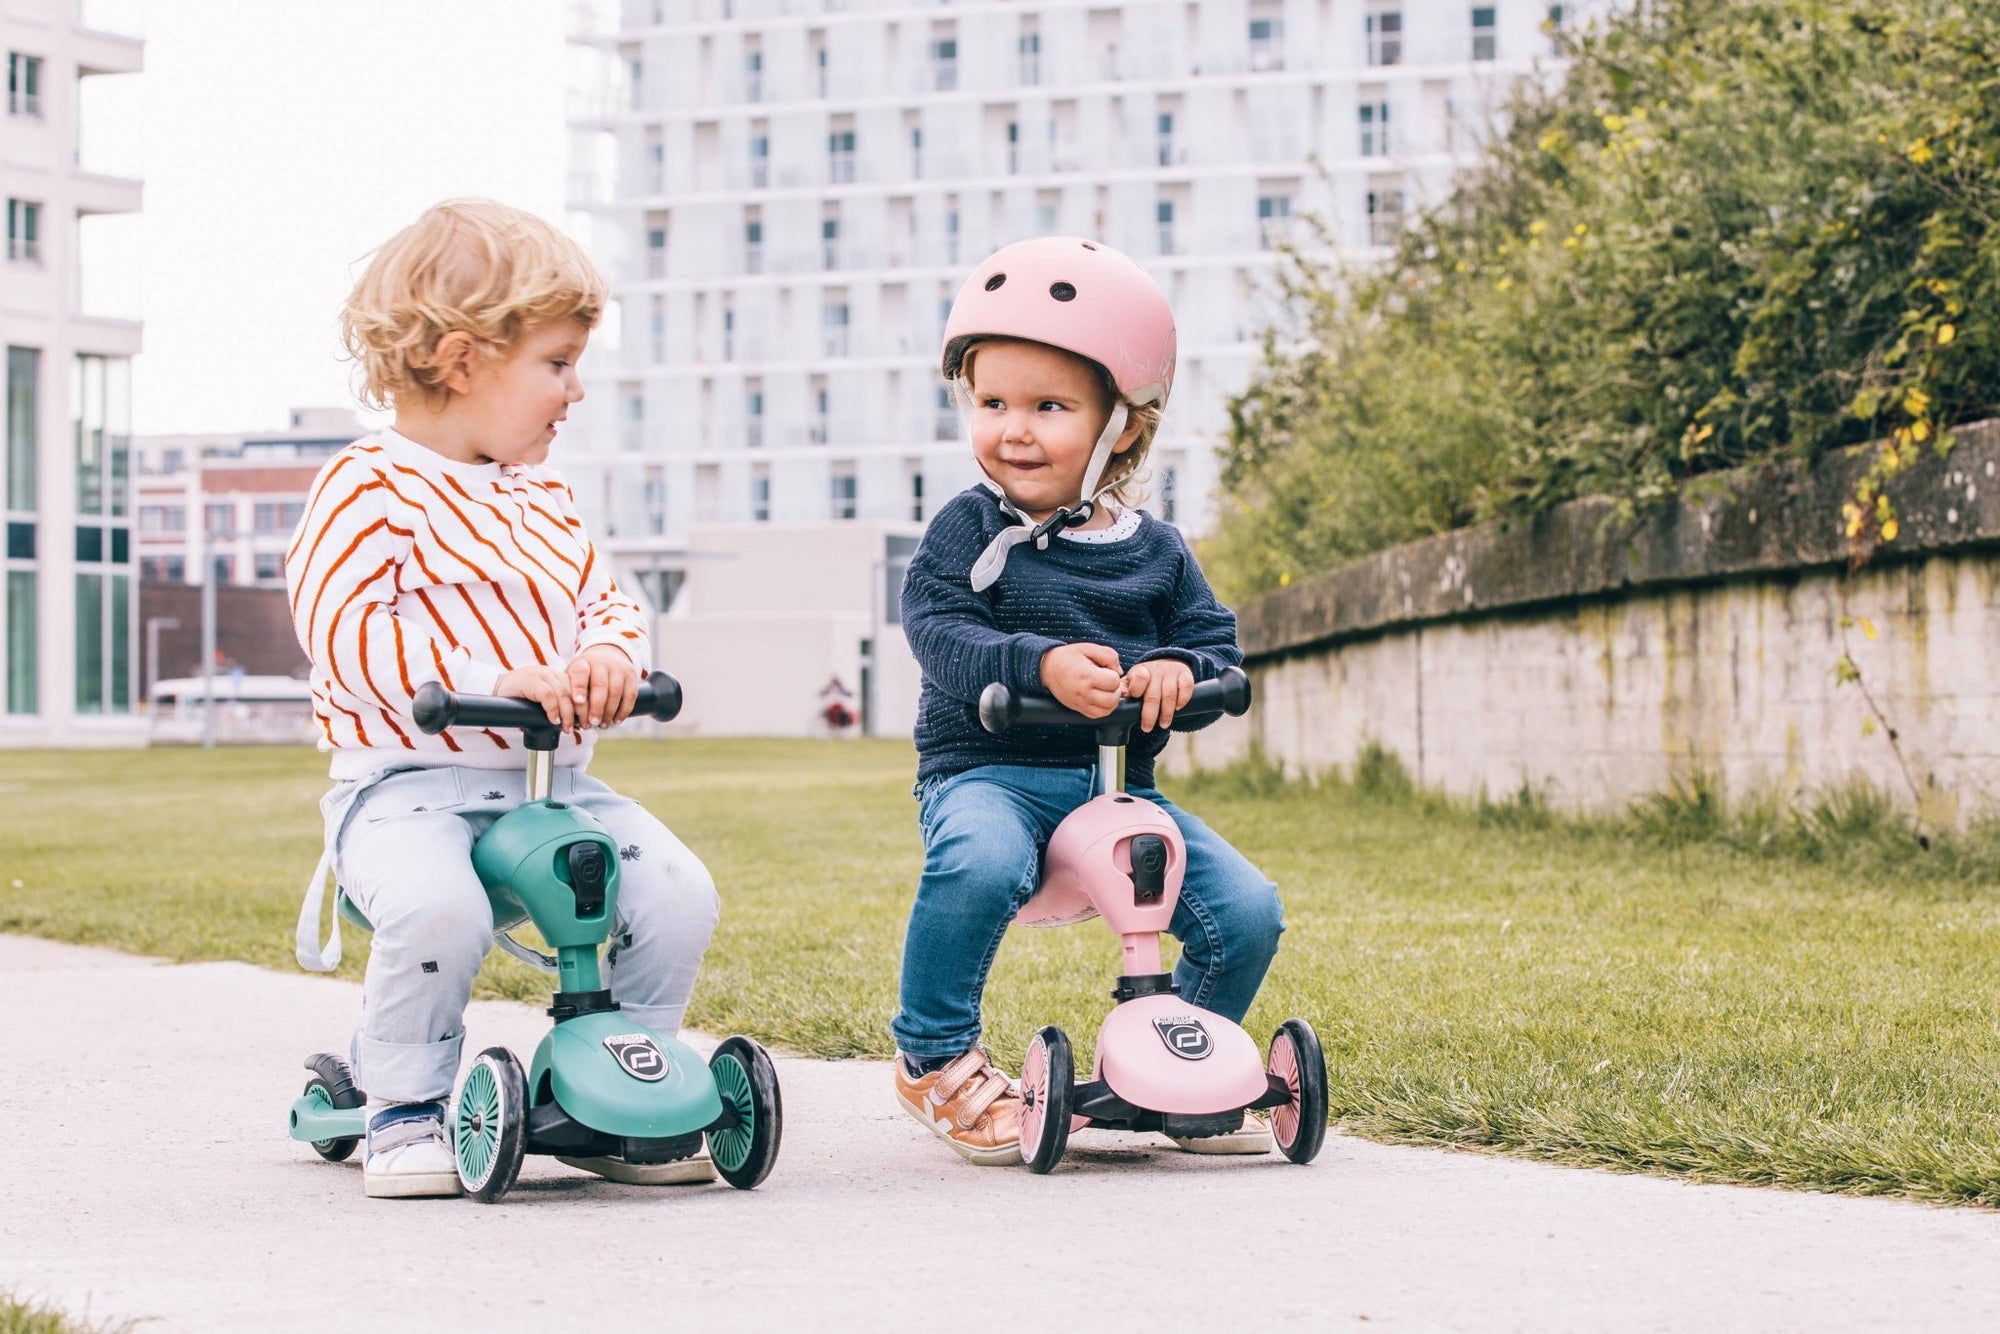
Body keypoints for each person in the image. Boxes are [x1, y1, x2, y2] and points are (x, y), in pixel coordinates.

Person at [286, 199, 719, 1198]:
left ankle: (625, 1087)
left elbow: (604, 598)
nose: (574, 390)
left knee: (676, 890)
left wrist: (610, 654)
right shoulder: (369, 486)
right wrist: (485, 680)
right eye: (557, 362)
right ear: (461, 357)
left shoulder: (543, 496)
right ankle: (400, 1105)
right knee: (439, 910)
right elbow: (344, 629)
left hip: (551, 784)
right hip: (407, 790)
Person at [893, 236, 1285, 1164]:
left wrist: (1179, 674)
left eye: (1049, 406)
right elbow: (936, 628)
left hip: (1115, 788)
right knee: (980, 862)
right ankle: (935, 1055)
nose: (1013, 430)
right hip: (986, 774)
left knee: (1248, 910)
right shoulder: (972, 528)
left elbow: (1214, 645)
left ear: (1125, 426)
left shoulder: (1158, 550)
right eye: (992, 402)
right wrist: (1038, 665)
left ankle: (1176, 1073)